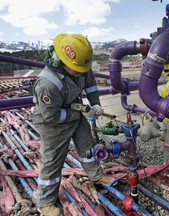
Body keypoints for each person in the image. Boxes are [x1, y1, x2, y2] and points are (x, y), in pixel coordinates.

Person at [32, 33, 115, 216]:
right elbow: (51, 116)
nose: (81, 72)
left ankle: (96, 175)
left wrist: (95, 105)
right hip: (52, 123)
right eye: (77, 69)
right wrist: (79, 111)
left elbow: (91, 85)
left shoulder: (81, 65)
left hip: (74, 113)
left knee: (87, 147)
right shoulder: (48, 83)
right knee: (53, 161)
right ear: (64, 61)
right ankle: (45, 203)